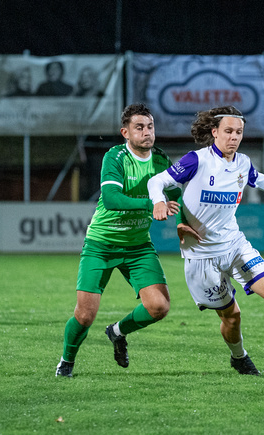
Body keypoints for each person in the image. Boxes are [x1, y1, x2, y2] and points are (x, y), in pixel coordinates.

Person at [147, 105, 264, 375]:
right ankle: (239, 357)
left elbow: (259, 180)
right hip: (201, 257)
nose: (234, 137)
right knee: (232, 317)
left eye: (239, 132)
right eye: (228, 131)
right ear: (214, 132)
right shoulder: (196, 161)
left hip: (235, 245)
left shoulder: (243, 163)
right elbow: (156, 182)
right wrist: (159, 202)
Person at [55, 103, 181, 377]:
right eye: (139, 127)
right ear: (125, 132)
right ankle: (66, 361)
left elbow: (180, 194)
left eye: (150, 127)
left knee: (159, 307)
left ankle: (117, 331)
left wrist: (183, 220)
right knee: (85, 315)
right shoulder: (116, 157)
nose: (147, 132)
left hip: (138, 247)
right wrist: (153, 204)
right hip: (101, 245)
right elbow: (111, 200)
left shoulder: (161, 160)